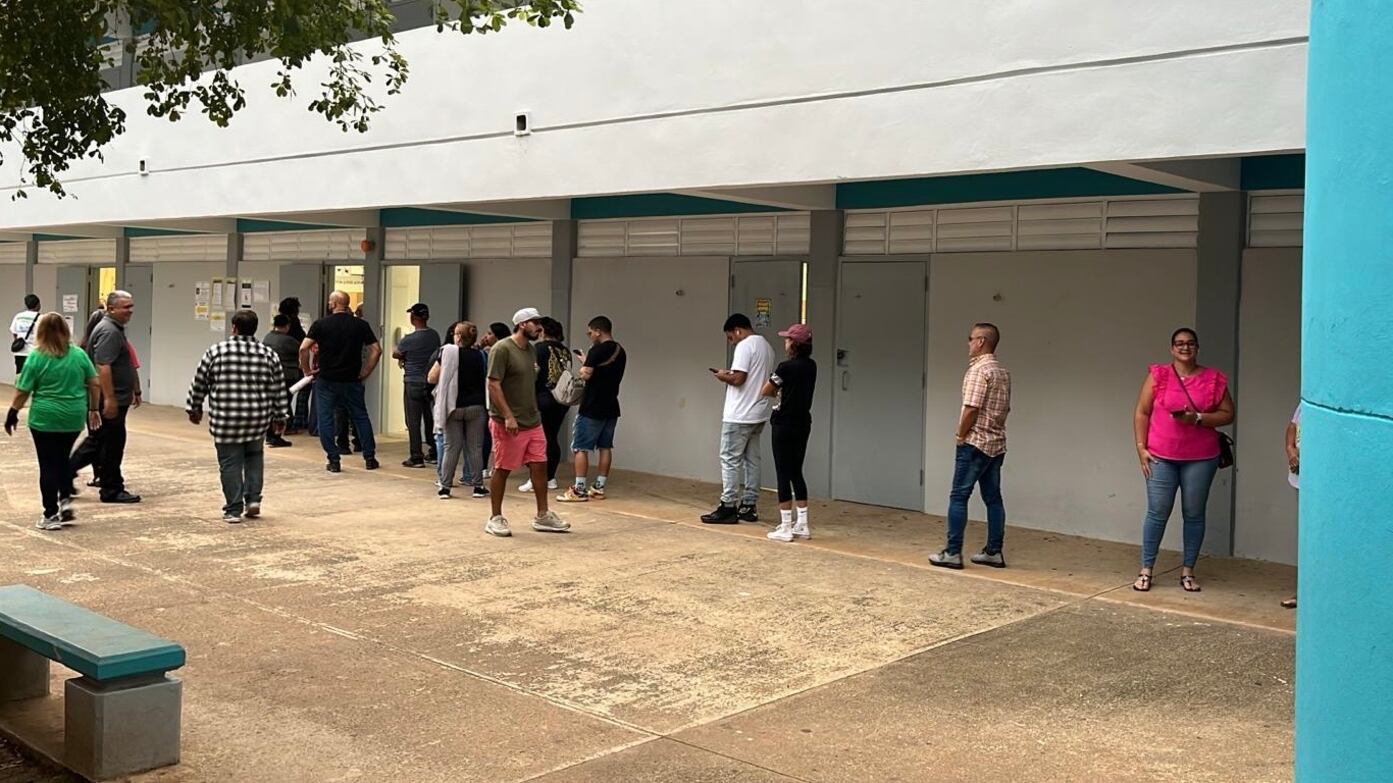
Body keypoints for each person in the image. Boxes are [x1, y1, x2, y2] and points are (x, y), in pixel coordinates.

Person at [1130, 327, 1235, 593]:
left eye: (1190, 343)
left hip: (1201, 458)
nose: (1185, 347)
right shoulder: (1159, 375)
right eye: (1179, 343)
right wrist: (1141, 448)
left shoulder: (1213, 379)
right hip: (1161, 456)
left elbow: (1228, 414)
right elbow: (1142, 412)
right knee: (1157, 512)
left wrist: (1198, 418)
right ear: (1171, 348)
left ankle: (1188, 571)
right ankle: (1146, 570)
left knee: (1194, 514)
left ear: (1197, 347)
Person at [186, 310, 289, 523]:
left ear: (234, 327)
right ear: (255, 328)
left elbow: (199, 382)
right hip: (256, 419)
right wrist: (280, 416)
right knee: (254, 458)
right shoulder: (268, 354)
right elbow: (278, 388)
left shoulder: (217, 351)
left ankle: (233, 509)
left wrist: (194, 407)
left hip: (226, 420)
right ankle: (253, 500)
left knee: (230, 463)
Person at [4, 313, 100, 530]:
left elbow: (23, 390)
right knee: (62, 459)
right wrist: (94, 409)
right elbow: (94, 383)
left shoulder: (36, 357)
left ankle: (50, 514)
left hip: (45, 417)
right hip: (73, 416)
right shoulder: (79, 355)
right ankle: (65, 501)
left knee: (47, 465)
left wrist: (13, 412)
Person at [930, 323, 1013, 570]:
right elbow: (1004, 409)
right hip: (996, 443)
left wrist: (960, 435)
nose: (968, 343)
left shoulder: (978, 371)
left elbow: (971, 408)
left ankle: (953, 552)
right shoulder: (1003, 372)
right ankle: (994, 551)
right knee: (993, 498)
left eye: (970, 338)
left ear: (980, 342)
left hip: (975, 443)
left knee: (958, 496)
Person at [484, 307, 569, 537]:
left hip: (532, 420)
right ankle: (495, 517)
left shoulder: (531, 350)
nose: (539, 327)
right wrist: (508, 416)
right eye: (535, 322)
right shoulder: (502, 349)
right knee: (502, 468)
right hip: (507, 422)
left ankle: (543, 515)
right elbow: (493, 384)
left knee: (540, 466)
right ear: (522, 324)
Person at [67, 290, 142, 504]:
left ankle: (112, 485)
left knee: (108, 442)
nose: (130, 311)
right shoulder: (109, 331)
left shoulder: (113, 329)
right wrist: (109, 398)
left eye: (131, 306)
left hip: (116, 397)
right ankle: (68, 475)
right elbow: (103, 366)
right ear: (111, 309)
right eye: (125, 307)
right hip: (111, 398)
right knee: (100, 442)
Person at [701, 314, 776, 524]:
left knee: (729, 459)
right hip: (758, 413)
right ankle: (748, 506)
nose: (731, 342)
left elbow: (739, 379)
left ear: (737, 330)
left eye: (730, 337)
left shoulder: (744, 346)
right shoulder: (766, 347)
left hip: (739, 414)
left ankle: (728, 506)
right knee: (752, 460)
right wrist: (731, 373)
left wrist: (723, 375)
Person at [300, 290, 382, 473]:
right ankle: (369, 458)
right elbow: (376, 350)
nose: (328, 304)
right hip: (352, 379)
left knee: (326, 419)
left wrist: (306, 370)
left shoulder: (321, 324)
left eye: (330, 301)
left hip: (327, 379)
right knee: (361, 417)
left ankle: (334, 460)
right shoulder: (360, 325)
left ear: (334, 303)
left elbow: (303, 348)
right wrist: (365, 371)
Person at [558, 315, 626, 503]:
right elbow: (604, 371)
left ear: (598, 331)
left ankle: (579, 488)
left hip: (592, 405)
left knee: (581, 447)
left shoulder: (597, 350)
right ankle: (599, 486)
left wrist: (584, 365)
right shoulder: (621, 350)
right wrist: (589, 361)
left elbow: (587, 374)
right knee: (605, 446)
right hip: (612, 405)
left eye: (590, 332)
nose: (590, 336)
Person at [760, 324, 816, 542]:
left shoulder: (785, 367)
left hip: (783, 423)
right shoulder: (812, 366)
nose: (785, 342)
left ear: (795, 344)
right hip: (803, 422)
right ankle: (802, 523)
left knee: (782, 472)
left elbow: (766, 390)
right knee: (796, 471)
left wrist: (780, 392)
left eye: (787, 339)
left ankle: (785, 526)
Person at [430, 321, 489, 500]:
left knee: (450, 448)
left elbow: (432, 378)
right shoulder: (481, 356)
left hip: (452, 406)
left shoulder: (446, 353)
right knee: (475, 448)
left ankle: (445, 487)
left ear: (458, 336)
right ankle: (478, 486)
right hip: (477, 407)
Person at [521, 317, 570, 493]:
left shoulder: (538, 349)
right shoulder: (565, 350)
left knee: (536, 440)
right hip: (561, 400)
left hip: (541, 398)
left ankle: (537, 478)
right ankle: (550, 477)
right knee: (552, 437)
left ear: (543, 331)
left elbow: (532, 374)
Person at [393, 303, 441, 468]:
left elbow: (396, 353)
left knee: (413, 420)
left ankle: (416, 456)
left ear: (413, 318)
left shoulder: (408, 339)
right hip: (429, 382)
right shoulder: (434, 335)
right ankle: (434, 451)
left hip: (412, 381)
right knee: (430, 417)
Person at [261, 315, 303, 448]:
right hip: (287, 375)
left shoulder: (268, 337)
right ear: (287, 326)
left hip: (269, 375)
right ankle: (276, 436)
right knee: (283, 406)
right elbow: (302, 350)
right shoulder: (289, 340)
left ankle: (269, 434)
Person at [278, 297, 308, 432]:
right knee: (298, 391)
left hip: (283, 364)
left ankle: (290, 421)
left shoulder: (279, 324)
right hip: (294, 364)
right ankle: (296, 421)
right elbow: (302, 342)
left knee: (286, 394)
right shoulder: (293, 323)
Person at [1282, 404, 1301, 609]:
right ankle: (1301, 591)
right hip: (1300, 478)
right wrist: (1290, 449)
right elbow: (1292, 426)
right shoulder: (1305, 403)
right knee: (1304, 537)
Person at [9, 294, 40, 374]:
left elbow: (14, 332)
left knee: (20, 375)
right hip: (34, 353)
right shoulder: (41, 318)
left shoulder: (18, 316)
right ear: (38, 304)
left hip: (20, 351)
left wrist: (19, 342)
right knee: (33, 376)